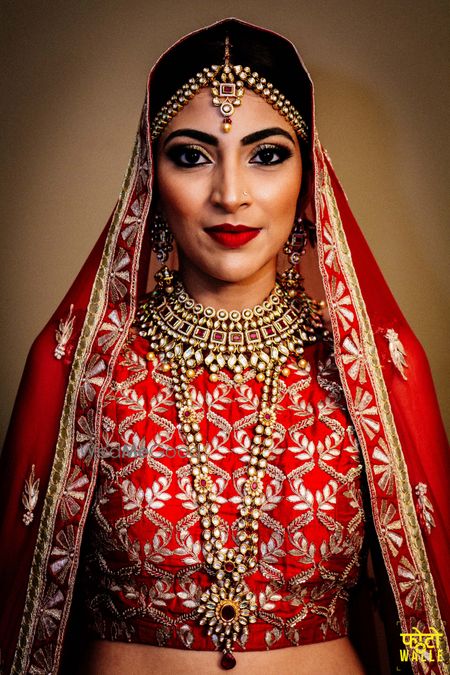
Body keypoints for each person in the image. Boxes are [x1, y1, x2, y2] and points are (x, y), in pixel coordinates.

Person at [0, 17, 448, 675]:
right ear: (150, 181)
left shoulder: (371, 371)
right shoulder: (84, 367)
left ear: (308, 181)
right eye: (191, 154)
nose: (230, 194)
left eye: (267, 155)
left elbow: (426, 620)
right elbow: (23, 619)